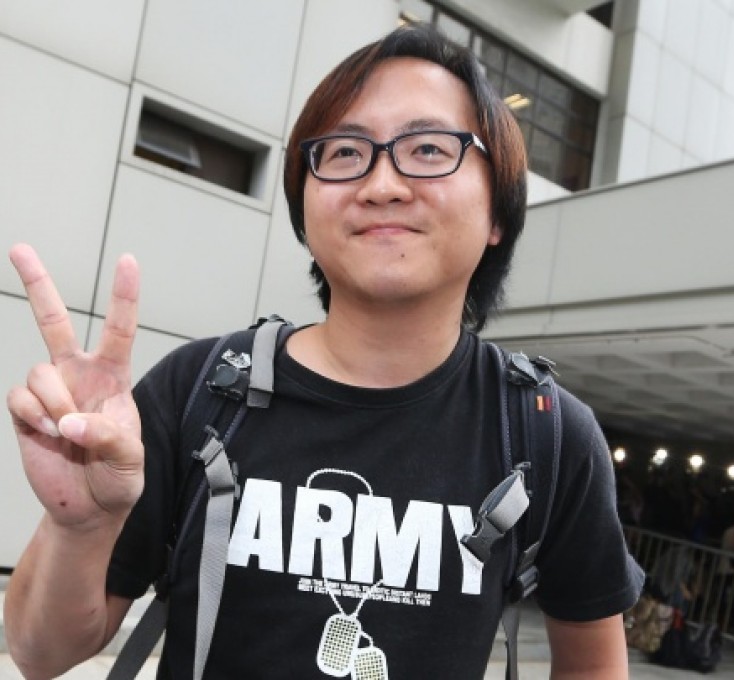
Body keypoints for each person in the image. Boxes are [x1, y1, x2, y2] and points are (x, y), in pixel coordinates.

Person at [3, 24, 644, 679]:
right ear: (305, 215)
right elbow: (40, 654)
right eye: (343, 153)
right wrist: (78, 529)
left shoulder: (546, 431)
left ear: (498, 213)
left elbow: (594, 666)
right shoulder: (200, 390)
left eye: (427, 149)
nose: (382, 183)